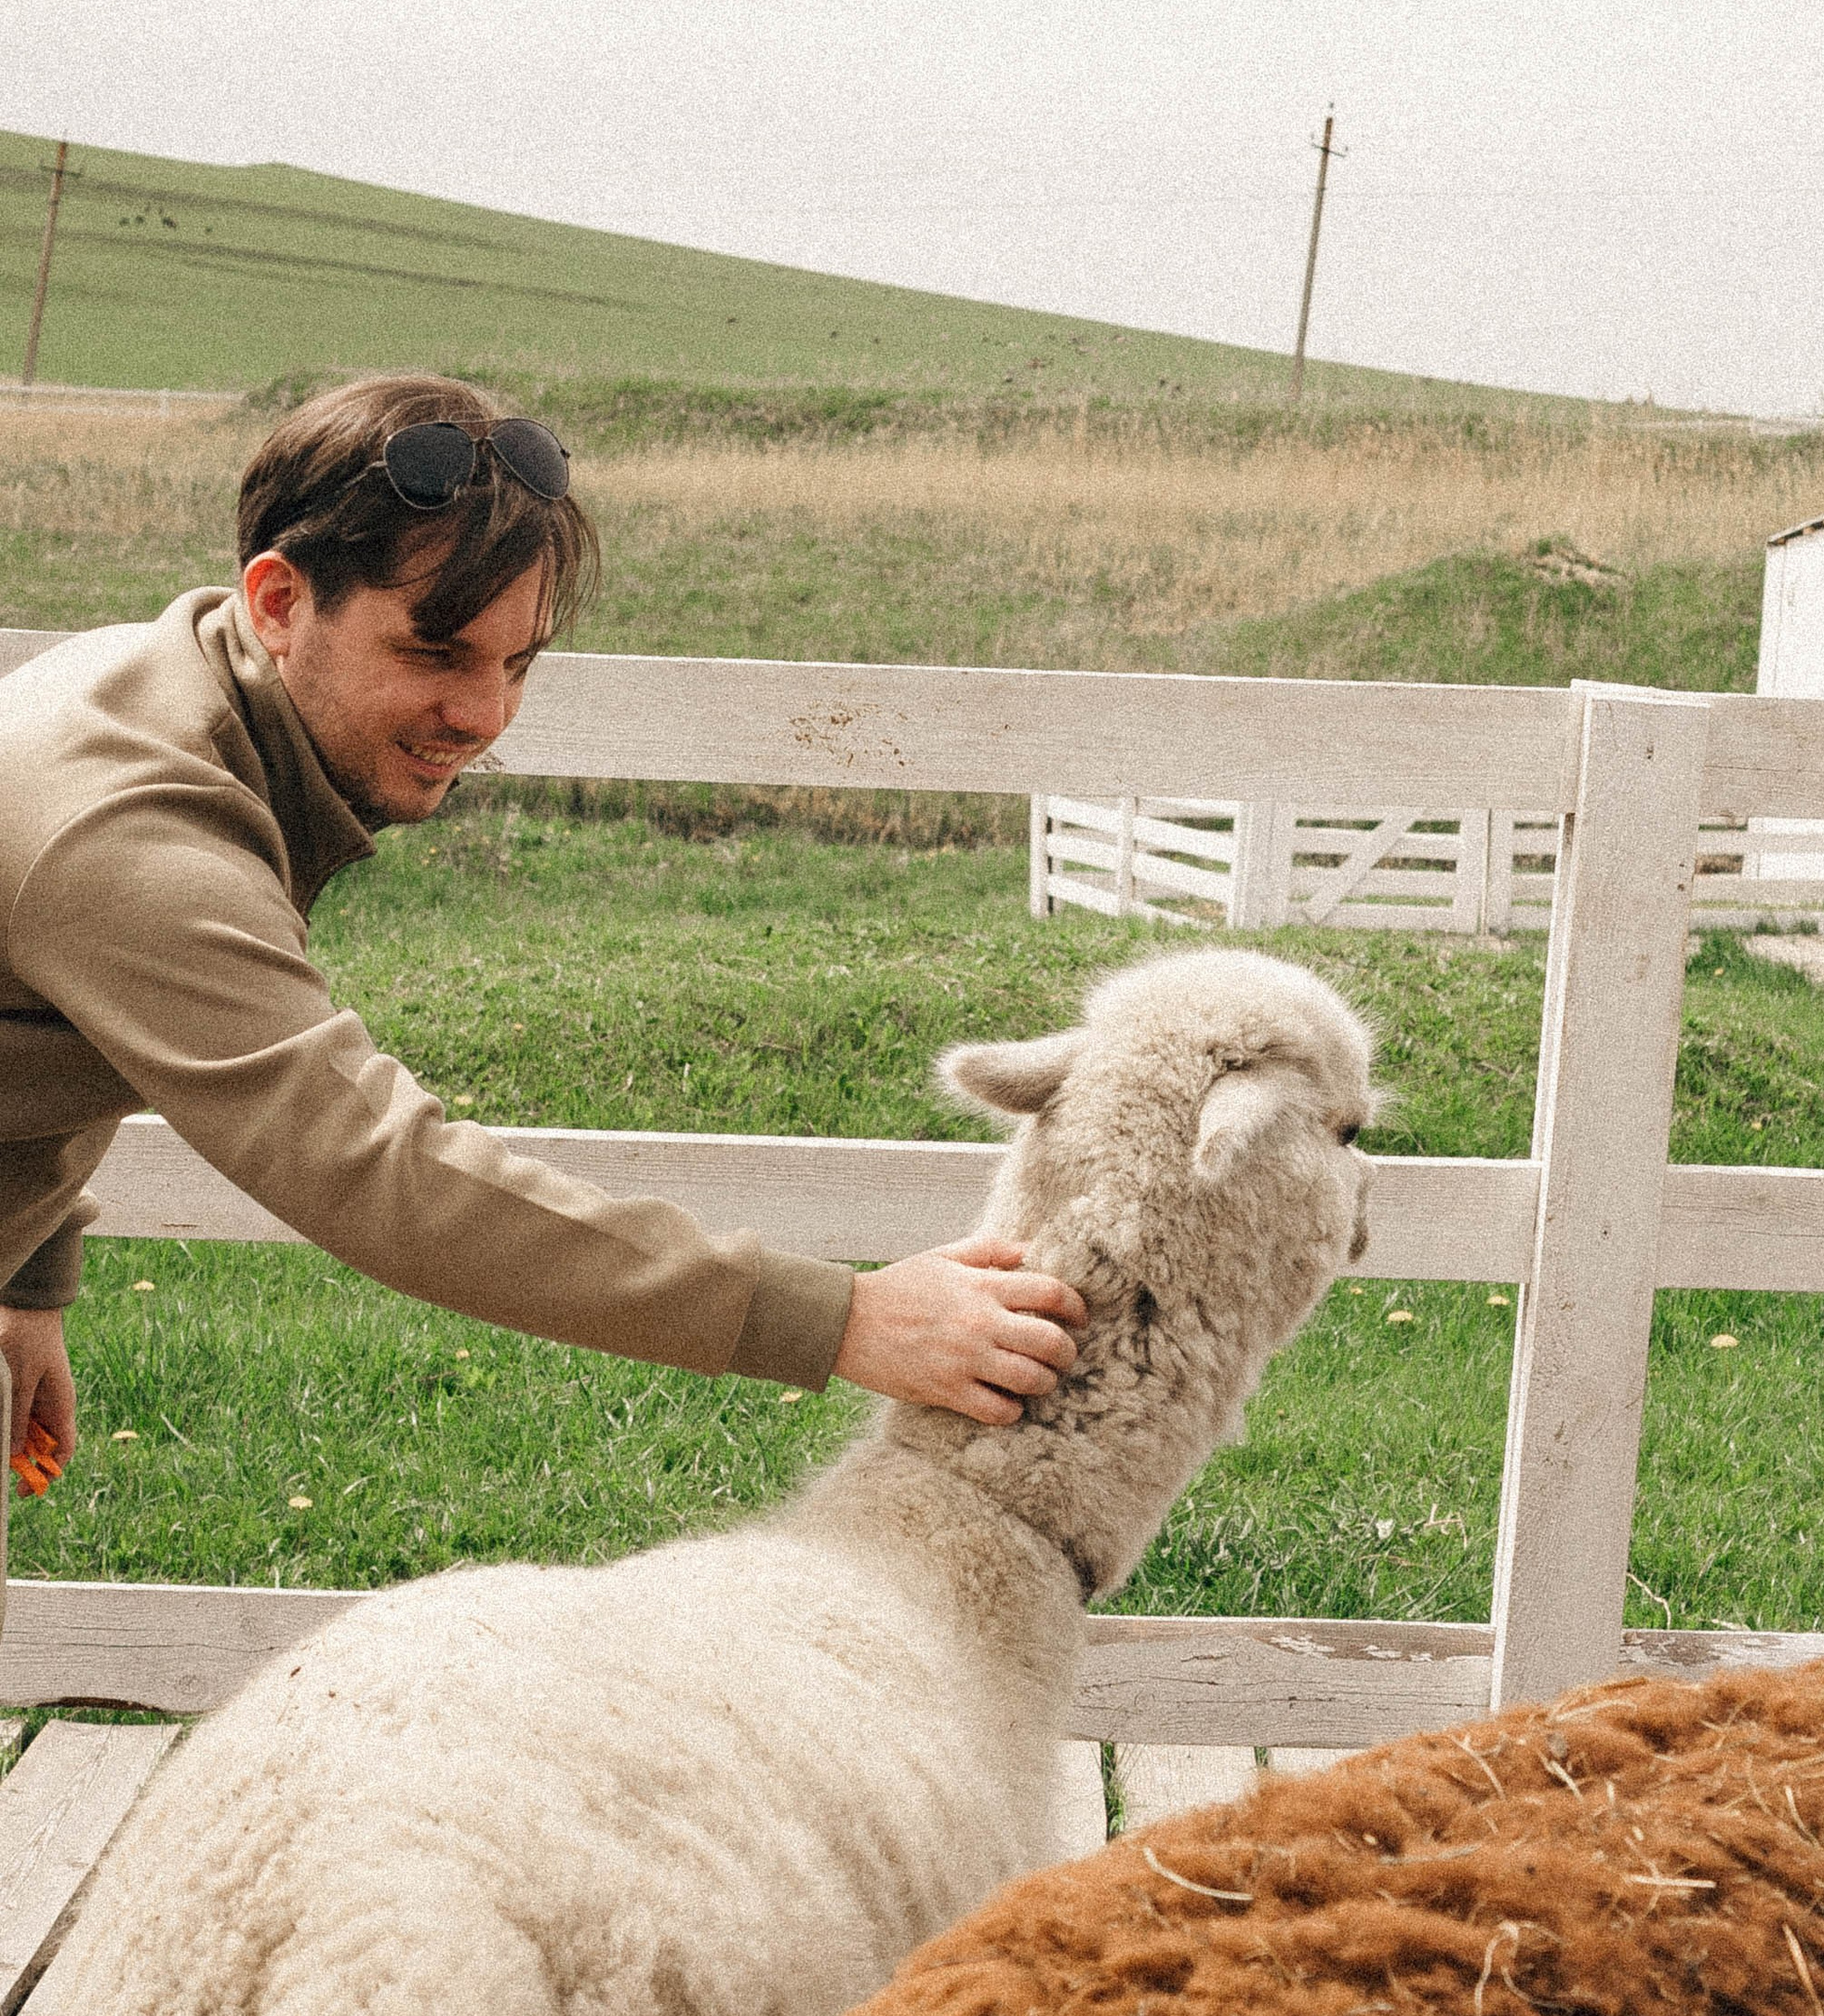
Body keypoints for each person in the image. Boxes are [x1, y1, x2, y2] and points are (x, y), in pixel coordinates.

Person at [0, 374, 1085, 1479]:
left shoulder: (163, 684)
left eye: (517, 661)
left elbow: (41, 1031)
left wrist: (24, 1278)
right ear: (280, 602)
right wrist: (846, 1320)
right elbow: (380, 1174)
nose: (484, 715)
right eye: (436, 653)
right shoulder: (130, 826)